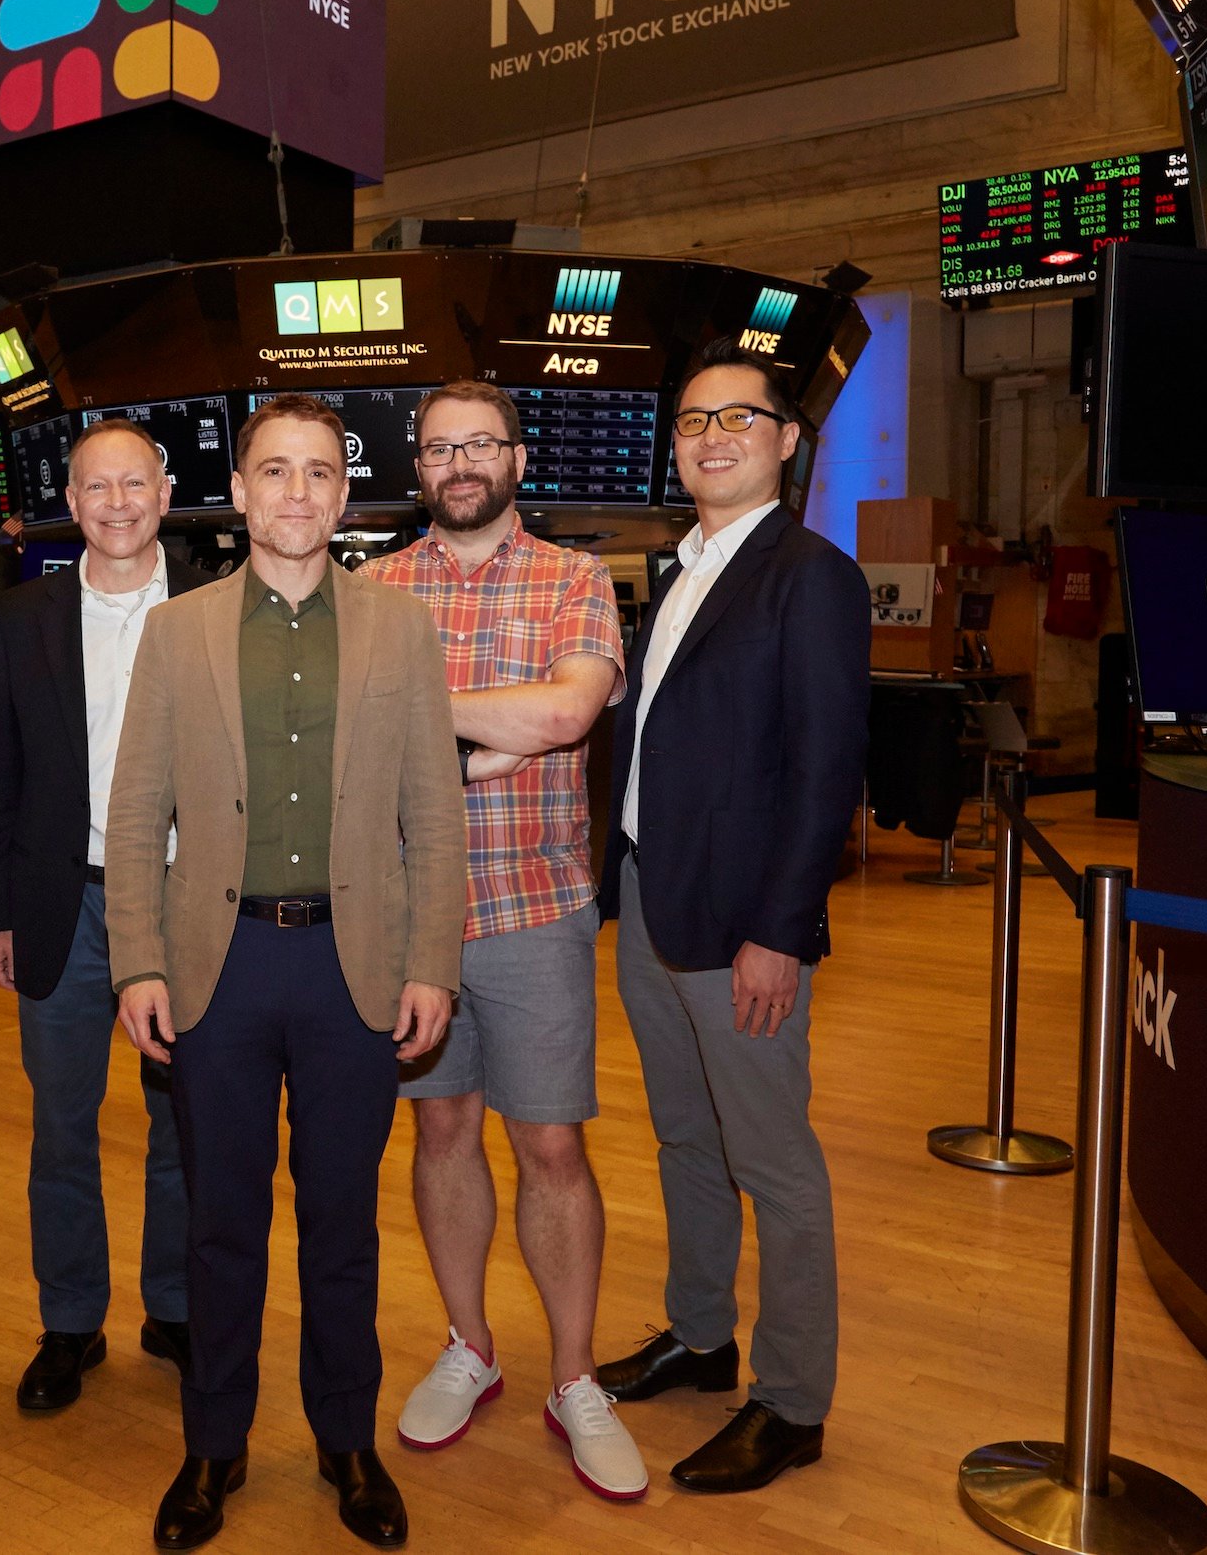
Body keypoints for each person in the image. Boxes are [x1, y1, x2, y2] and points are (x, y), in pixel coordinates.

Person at [106, 393, 467, 1552]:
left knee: (342, 1223)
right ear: (242, 489)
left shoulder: (401, 629)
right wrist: (137, 961)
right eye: (275, 470)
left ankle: (345, 1439)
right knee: (221, 1222)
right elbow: (135, 806)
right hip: (219, 966)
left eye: (319, 472)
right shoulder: (181, 630)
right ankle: (212, 1446)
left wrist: (432, 963)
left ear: (344, 494)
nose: (297, 492)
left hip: (353, 969)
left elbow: (433, 811)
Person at [594, 337, 869, 1493]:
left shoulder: (809, 573)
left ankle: (792, 1399)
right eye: (694, 421)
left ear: (785, 439)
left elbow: (823, 769)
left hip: (743, 921)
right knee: (683, 1137)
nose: (711, 437)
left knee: (773, 1160)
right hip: (656, 896)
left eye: (736, 419)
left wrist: (781, 927)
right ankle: (701, 1334)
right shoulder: (677, 570)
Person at [359, 382, 642, 1501]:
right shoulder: (372, 587)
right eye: (439, 448)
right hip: (408, 916)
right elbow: (356, 741)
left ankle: (575, 1377)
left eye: (479, 443)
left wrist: (424, 716)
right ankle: (471, 1341)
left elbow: (567, 715)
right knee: (439, 1133)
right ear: (417, 466)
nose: (460, 463)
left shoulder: (573, 578)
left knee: (554, 1149)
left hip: (534, 909)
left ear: (516, 456)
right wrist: (492, 728)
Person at [0, 419, 215, 1411]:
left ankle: (176, 1306)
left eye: (135, 484)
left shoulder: (215, 607)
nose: (116, 502)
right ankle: (70, 1321)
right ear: (67, 505)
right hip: (61, 903)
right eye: (94, 487)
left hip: (182, 901)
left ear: (165, 494)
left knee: (186, 1121)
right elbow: (2, 772)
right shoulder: (21, 614)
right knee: (62, 1124)